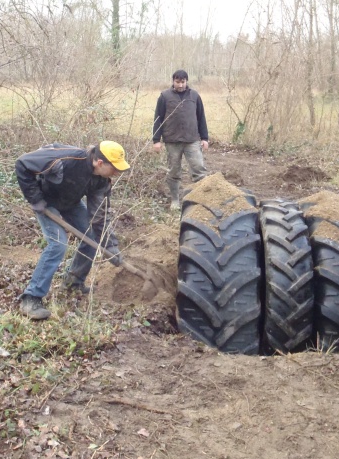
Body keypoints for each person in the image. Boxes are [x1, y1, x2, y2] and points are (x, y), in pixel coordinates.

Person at [15, 141, 129, 320]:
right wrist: (35, 199)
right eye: (114, 168)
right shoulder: (66, 159)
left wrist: (110, 245)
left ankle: (73, 282)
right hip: (46, 202)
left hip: (71, 203)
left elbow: (99, 215)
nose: (117, 173)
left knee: (91, 236)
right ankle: (31, 298)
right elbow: (22, 163)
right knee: (58, 243)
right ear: (100, 163)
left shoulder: (102, 180)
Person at [152, 69, 209, 209]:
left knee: (199, 169)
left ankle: (201, 200)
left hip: (192, 140)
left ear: (186, 81)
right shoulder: (165, 96)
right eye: (177, 82)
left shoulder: (194, 96)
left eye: (183, 82)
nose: (180, 85)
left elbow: (201, 117)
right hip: (172, 140)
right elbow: (158, 118)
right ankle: (175, 200)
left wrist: (205, 138)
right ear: (173, 81)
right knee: (174, 171)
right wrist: (156, 140)